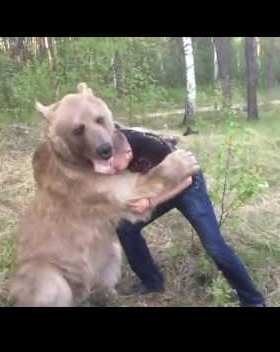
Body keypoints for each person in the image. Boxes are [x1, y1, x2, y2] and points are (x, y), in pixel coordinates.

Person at [109, 126, 266, 307]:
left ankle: (253, 300)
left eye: (114, 165)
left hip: (188, 185)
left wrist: (150, 202)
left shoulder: (152, 148)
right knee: (126, 228)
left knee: (214, 246)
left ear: (128, 152)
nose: (112, 170)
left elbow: (186, 180)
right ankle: (153, 282)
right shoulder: (114, 143)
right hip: (162, 186)